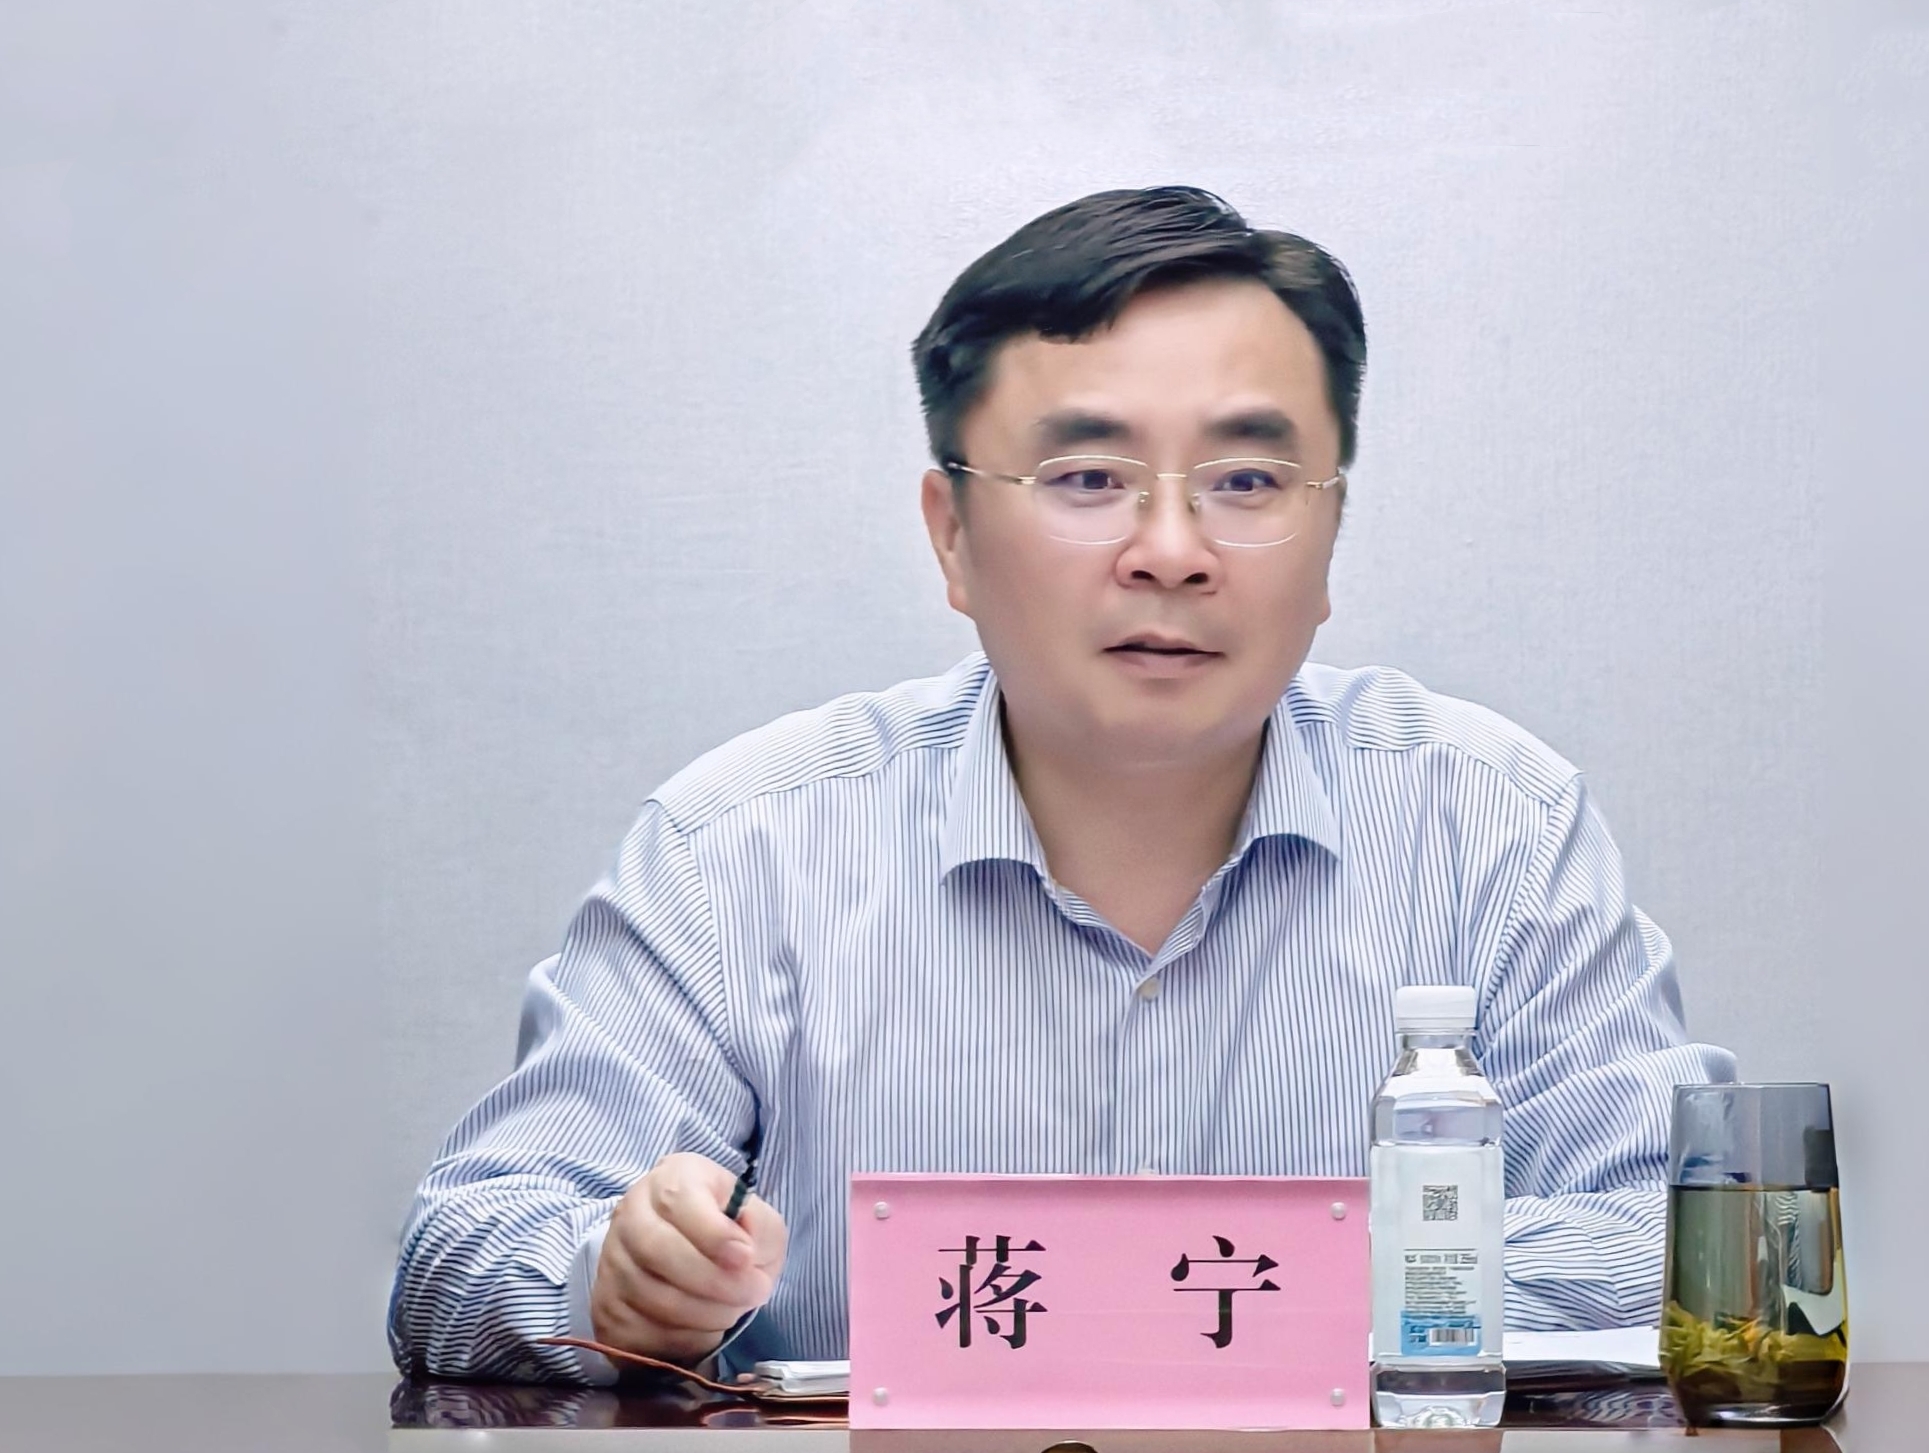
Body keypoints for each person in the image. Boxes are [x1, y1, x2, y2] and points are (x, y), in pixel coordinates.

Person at [388, 185, 1736, 1383]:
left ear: (1330, 530)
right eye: (1089, 477)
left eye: (1247, 479)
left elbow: (1683, 1245)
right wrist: (613, 1280)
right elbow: (460, 1253)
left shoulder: (1491, 825)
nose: (1170, 549)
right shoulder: (741, 849)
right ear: (952, 536)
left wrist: (1232, 1290)